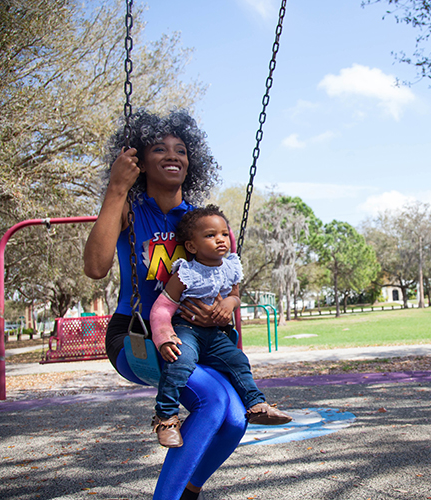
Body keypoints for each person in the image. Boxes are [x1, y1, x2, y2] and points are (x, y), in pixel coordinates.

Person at [84, 109, 247, 500]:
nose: (173, 155)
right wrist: (116, 189)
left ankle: (187, 490)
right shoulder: (129, 209)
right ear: (140, 160)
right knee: (211, 402)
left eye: (181, 149)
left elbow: (230, 283)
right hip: (136, 336)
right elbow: (94, 268)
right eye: (159, 148)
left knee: (236, 419)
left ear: (193, 162)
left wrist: (223, 305)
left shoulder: (202, 223)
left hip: (195, 338)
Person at [151, 204, 291, 448]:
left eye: (224, 234)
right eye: (210, 235)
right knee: (180, 361)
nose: (220, 240)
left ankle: (256, 405)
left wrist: (230, 302)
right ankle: (166, 418)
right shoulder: (186, 272)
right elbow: (163, 307)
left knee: (238, 360)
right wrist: (163, 337)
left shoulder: (231, 267)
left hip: (214, 334)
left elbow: (235, 295)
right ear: (192, 246)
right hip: (187, 329)